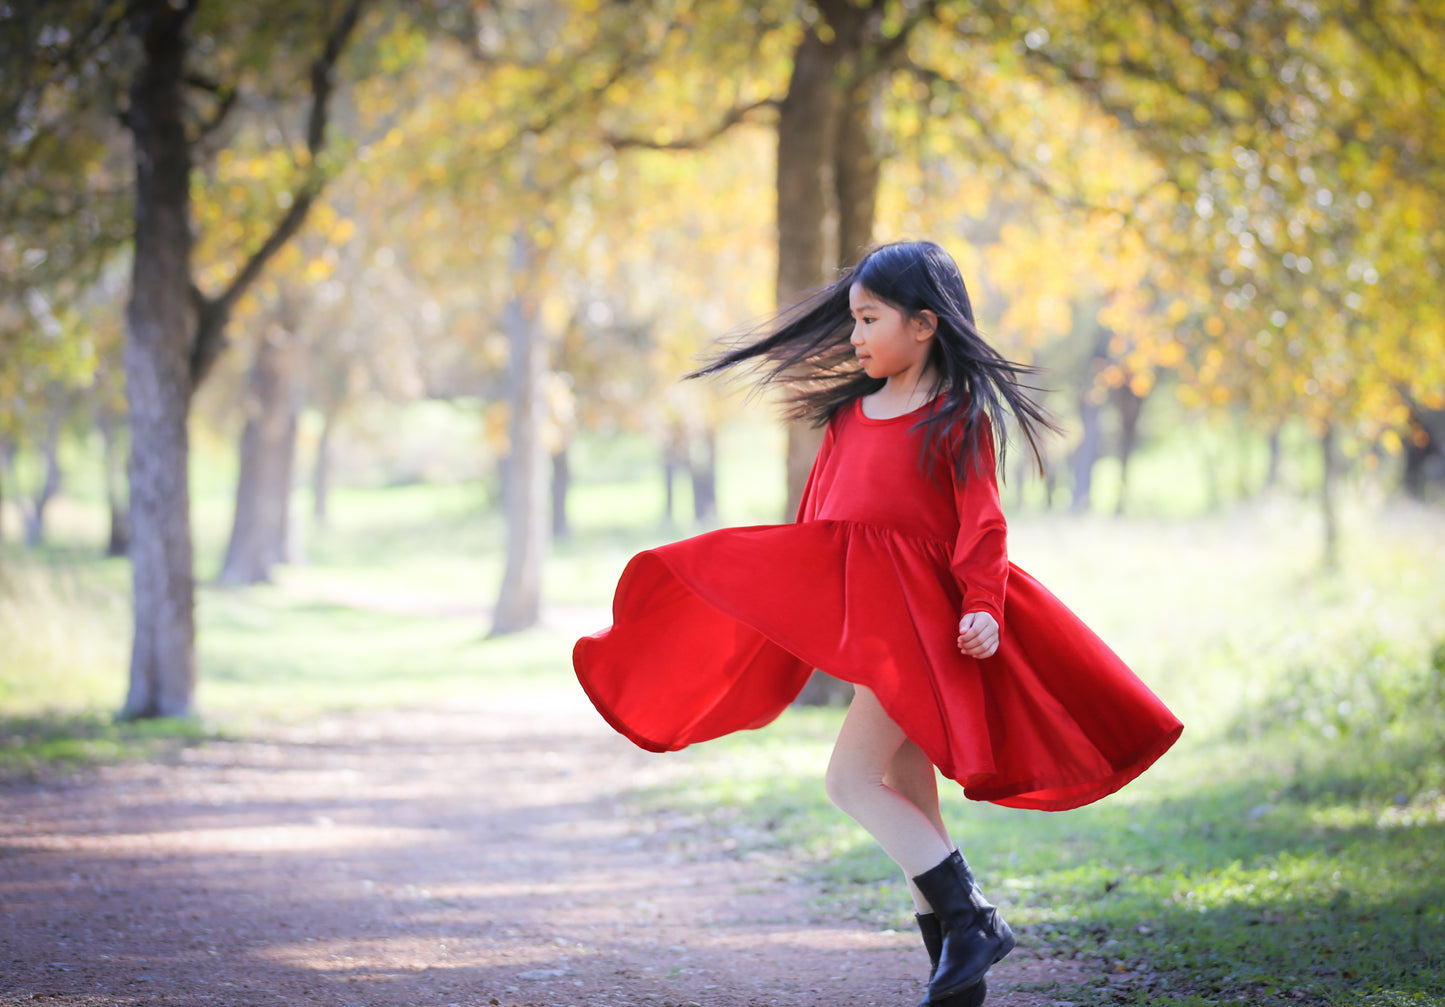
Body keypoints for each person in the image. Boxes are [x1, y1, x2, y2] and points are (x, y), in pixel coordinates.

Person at [573, 240, 1183, 1005]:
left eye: (868, 319)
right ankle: (954, 979)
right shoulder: (848, 416)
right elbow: (820, 525)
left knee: (848, 780)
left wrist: (983, 608)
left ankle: (973, 921)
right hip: (879, 635)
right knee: (910, 799)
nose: (854, 336)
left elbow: (982, 526)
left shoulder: (956, 418)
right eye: (851, 320)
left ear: (923, 324)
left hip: (928, 633)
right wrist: (797, 607)